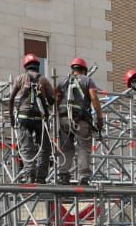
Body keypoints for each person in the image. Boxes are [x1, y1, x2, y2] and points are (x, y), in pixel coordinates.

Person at [7, 54, 58, 183]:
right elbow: (52, 101)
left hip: (23, 116)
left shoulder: (20, 78)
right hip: (40, 118)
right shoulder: (44, 80)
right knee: (44, 148)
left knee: (26, 147)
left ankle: (30, 175)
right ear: (38, 66)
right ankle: (41, 177)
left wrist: (12, 118)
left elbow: (11, 98)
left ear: (26, 66)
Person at [59, 57, 103, 185]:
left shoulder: (62, 80)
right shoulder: (87, 80)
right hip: (81, 120)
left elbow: (56, 97)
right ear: (84, 69)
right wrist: (99, 118)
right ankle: (83, 177)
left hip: (63, 119)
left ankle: (63, 174)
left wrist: (55, 117)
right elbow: (94, 97)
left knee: (66, 148)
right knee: (83, 148)